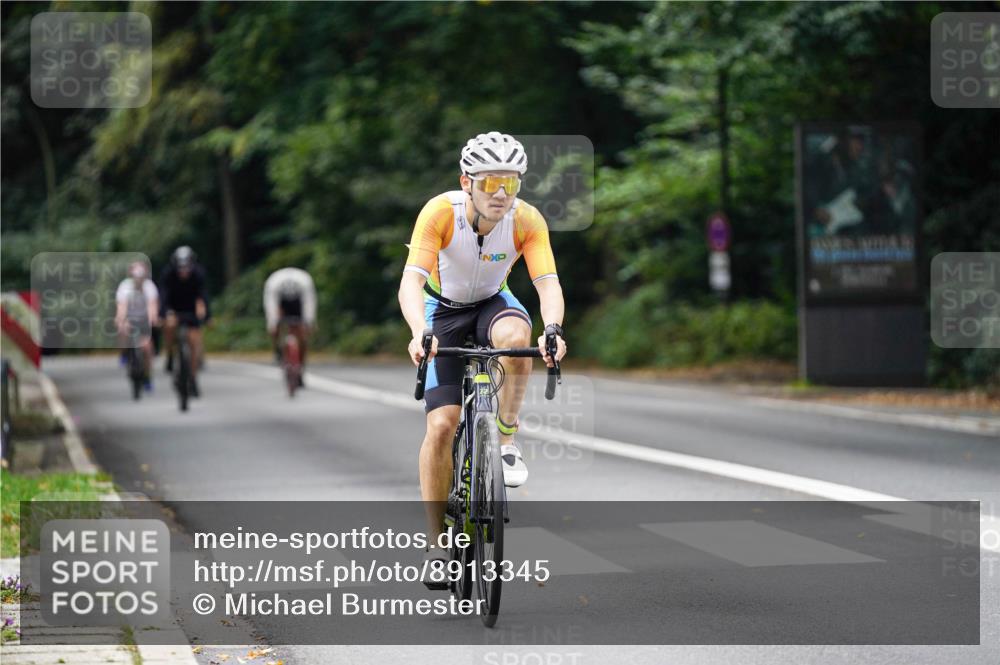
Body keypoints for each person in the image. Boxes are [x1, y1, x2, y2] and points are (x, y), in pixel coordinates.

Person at [397, 132, 567, 574]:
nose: (500, 193)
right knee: (442, 425)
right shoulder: (440, 212)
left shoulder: (526, 220)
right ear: (466, 182)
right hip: (442, 309)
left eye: (510, 183)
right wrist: (419, 332)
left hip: (493, 302)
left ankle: (505, 440)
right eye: (490, 182)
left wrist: (552, 329)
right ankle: (436, 545)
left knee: (519, 338)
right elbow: (412, 282)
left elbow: (547, 284)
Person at [159, 246, 209, 396]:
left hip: (191, 309)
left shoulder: (198, 274)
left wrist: (207, 315)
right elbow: (163, 296)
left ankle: (193, 379)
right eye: (181, 268)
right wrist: (163, 314)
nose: (184, 271)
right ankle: (170, 354)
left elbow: (203, 295)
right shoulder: (168, 274)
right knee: (169, 326)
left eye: (186, 268)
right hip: (173, 307)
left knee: (194, 342)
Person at [263, 267, 317, 384]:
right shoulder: (274, 283)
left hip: (299, 303)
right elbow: (271, 306)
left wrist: (309, 322)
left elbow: (309, 304)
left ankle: (300, 365)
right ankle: (278, 351)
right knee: (275, 327)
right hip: (281, 303)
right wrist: (272, 324)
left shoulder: (305, 282)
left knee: (302, 334)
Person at [115, 260, 159, 391]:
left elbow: (152, 306)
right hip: (130, 318)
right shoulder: (125, 286)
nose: (138, 280)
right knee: (122, 330)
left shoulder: (149, 287)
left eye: (141, 277)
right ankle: (124, 353)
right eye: (136, 277)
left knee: (147, 348)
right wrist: (121, 319)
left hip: (144, 319)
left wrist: (153, 319)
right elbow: (122, 306)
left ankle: (147, 376)